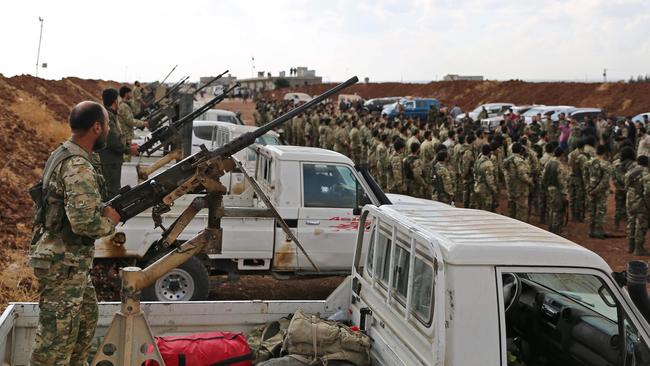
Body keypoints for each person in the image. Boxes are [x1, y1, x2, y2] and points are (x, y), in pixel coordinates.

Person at [29, 101, 120, 365]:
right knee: (55, 344)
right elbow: (83, 224)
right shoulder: (78, 165)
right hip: (62, 265)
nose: (109, 130)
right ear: (96, 127)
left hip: (68, 264)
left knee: (85, 322)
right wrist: (110, 221)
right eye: (107, 125)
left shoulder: (64, 153)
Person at [99, 88, 129, 199]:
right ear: (115, 101)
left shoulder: (107, 114)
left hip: (109, 160)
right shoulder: (108, 116)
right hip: (110, 161)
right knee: (112, 192)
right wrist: (127, 149)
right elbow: (112, 141)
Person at [584, 145, 611, 238]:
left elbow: (585, 175)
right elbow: (605, 180)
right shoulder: (605, 164)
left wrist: (588, 187)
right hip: (601, 191)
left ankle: (591, 230)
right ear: (604, 153)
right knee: (600, 210)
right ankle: (598, 230)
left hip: (590, 189)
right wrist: (597, 189)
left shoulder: (589, 162)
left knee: (592, 210)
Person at [625, 155, 650, 255]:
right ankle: (639, 248)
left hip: (630, 200)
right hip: (641, 202)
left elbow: (626, 185)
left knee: (631, 222)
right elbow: (647, 192)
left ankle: (630, 246)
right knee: (641, 224)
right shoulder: (646, 173)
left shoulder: (631, 171)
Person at [542, 147, 569, 234]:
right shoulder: (559, 165)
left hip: (549, 188)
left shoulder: (548, 163)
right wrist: (564, 194)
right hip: (557, 190)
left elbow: (543, 176)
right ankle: (556, 231)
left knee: (551, 209)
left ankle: (550, 229)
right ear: (561, 155)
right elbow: (561, 181)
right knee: (558, 211)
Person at [503, 142, 532, 222]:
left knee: (512, 209)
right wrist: (530, 181)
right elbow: (522, 175)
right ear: (520, 150)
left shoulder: (508, 160)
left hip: (511, 187)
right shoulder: (519, 161)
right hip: (520, 189)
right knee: (521, 210)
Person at [117, 86, 147, 162]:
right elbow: (130, 121)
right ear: (126, 94)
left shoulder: (126, 104)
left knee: (126, 157)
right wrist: (143, 123)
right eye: (130, 93)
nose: (131, 95)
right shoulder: (124, 106)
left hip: (126, 135)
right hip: (125, 135)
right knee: (125, 159)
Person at [612, 146, 636, 231]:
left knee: (618, 208)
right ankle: (630, 227)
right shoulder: (634, 164)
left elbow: (613, 177)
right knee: (630, 209)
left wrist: (617, 186)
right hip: (630, 190)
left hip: (619, 188)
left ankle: (616, 225)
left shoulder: (615, 163)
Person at [473, 144, 498, 211]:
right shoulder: (488, 164)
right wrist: (494, 190)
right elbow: (490, 181)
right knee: (486, 209)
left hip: (477, 186)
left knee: (478, 208)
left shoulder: (478, 160)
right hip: (485, 189)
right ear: (489, 152)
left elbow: (474, 172)